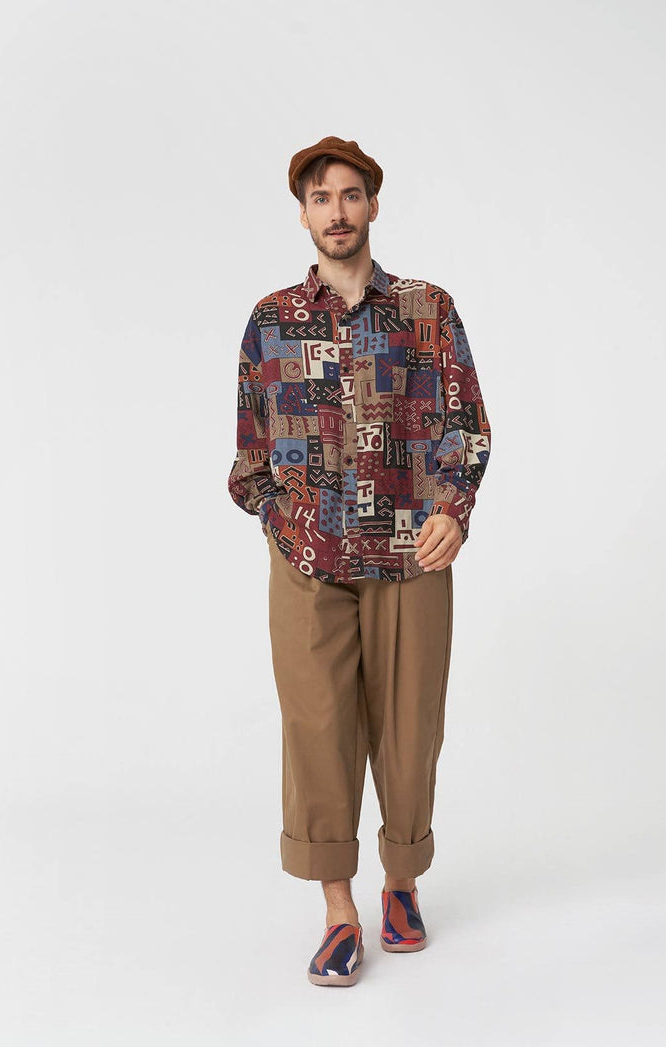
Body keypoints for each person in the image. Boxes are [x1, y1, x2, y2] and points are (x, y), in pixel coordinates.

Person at [227, 135, 492, 987]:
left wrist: (452, 508)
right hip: (309, 563)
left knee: (410, 733)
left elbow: (466, 426)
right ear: (302, 214)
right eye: (320, 199)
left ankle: (402, 884)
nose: (336, 212)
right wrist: (285, 524)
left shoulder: (426, 310)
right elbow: (249, 459)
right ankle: (339, 911)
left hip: (412, 555)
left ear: (373, 204)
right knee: (317, 733)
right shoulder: (271, 322)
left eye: (349, 195)